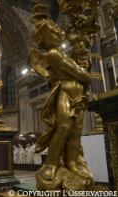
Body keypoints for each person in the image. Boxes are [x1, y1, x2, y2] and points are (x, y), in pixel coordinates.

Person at [29, 10, 93, 182]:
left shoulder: (63, 54)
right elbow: (82, 75)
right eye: (52, 32)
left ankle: (72, 163)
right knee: (63, 128)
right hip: (64, 94)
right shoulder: (54, 54)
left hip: (78, 96)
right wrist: (83, 70)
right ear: (43, 39)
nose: (57, 32)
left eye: (57, 30)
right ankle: (51, 164)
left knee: (76, 132)